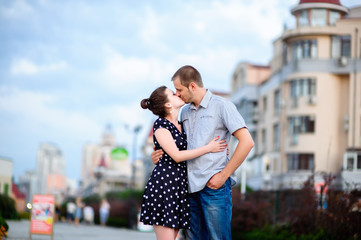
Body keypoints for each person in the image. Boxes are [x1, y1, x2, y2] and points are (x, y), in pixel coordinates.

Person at [152, 65, 254, 240]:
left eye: (179, 89)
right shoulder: (184, 112)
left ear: (192, 86)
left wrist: (223, 175)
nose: (177, 94)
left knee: (217, 238)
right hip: (189, 189)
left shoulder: (222, 106)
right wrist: (157, 156)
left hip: (213, 187)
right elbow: (176, 145)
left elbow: (247, 142)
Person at [140, 86, 227, 240]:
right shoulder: (161, 125)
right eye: (173, 94)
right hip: (165, 186)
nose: (178, 94)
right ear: (167, 104)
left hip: (179, 187)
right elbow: (177, 156)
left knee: (175, 236)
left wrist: (219, 153)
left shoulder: (182, 124)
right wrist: (209, 148)